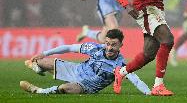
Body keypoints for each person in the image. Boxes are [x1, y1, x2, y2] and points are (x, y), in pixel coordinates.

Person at [20, 29, 150, 95]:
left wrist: (149, 93)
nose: (110, 48)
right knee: (42, 61)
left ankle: (38, 91)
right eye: (107, 43)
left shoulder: (121, 65)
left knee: (65, 88)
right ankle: (37, 67)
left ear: (121, 44)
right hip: (75, 70)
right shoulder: (95, 48)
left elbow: (136, 80)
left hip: (87, 86)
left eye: (114, 45)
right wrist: (44, 53)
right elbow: (69, 47)